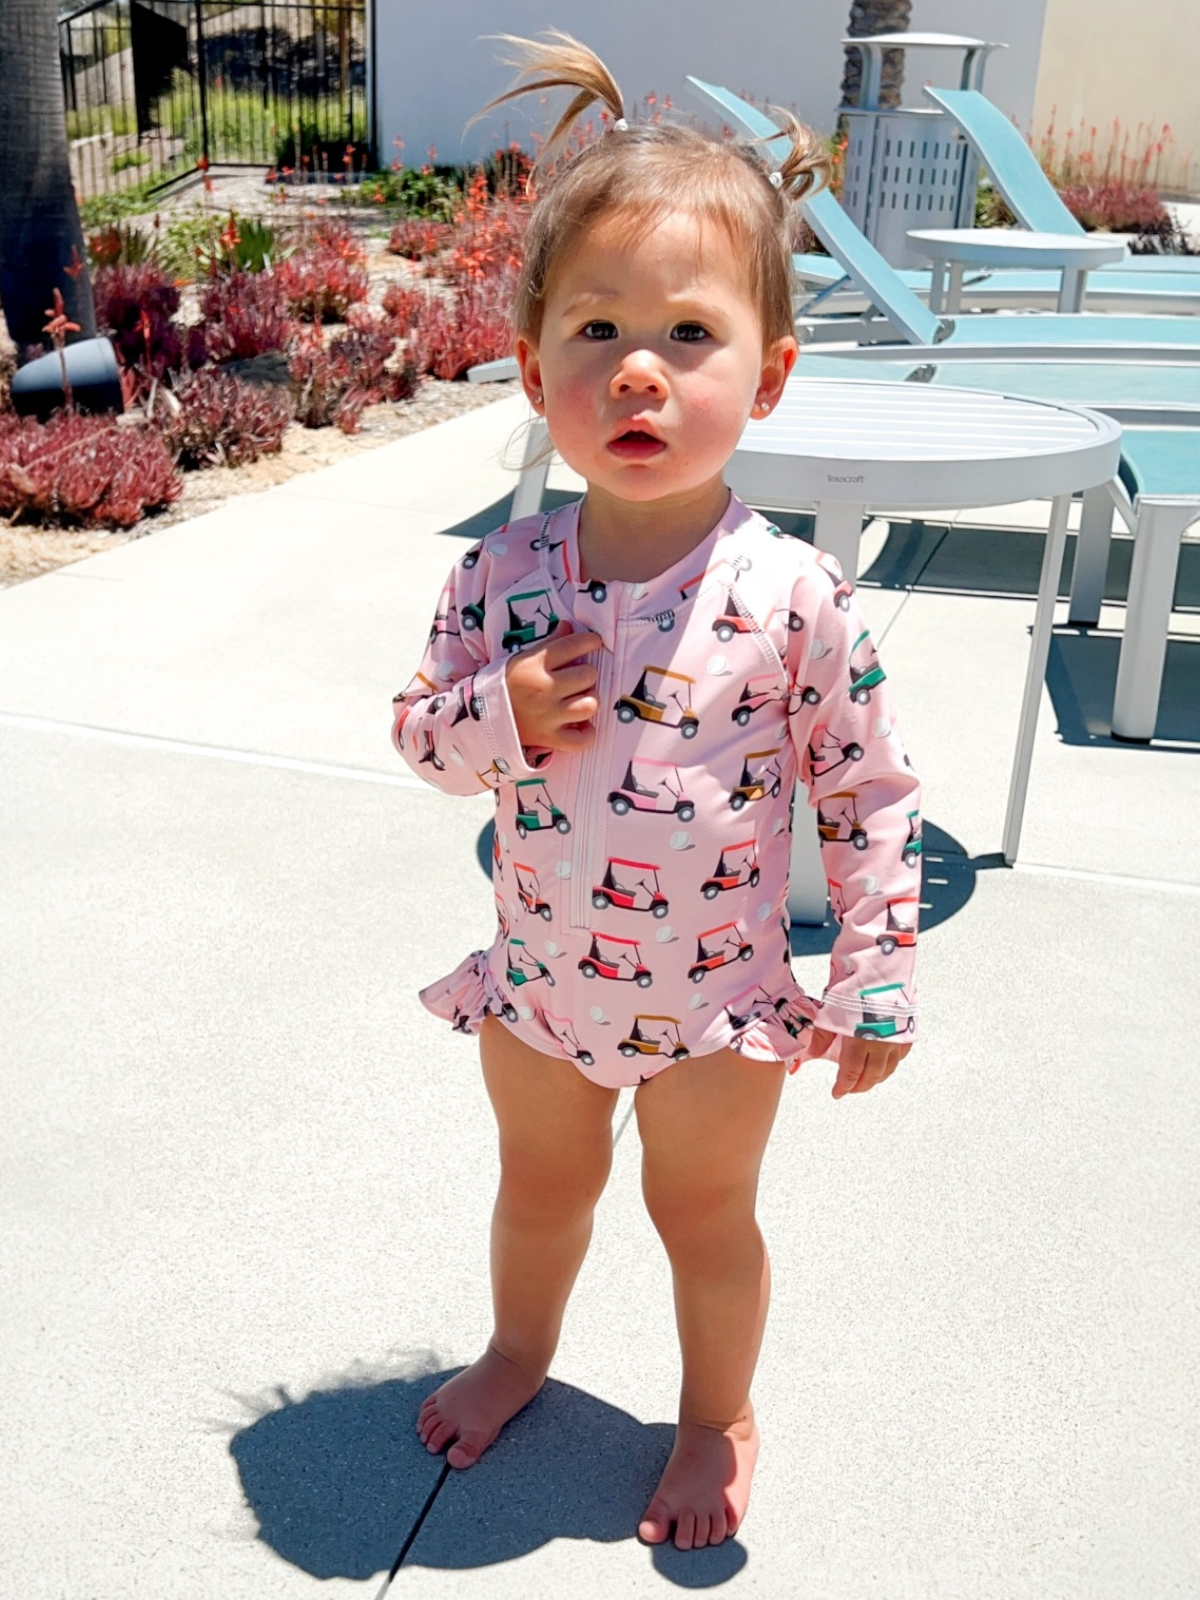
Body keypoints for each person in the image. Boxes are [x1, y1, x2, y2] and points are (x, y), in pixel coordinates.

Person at [391, 32, 921, 1553]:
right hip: (545, 988)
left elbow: (868, 790)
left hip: (719, 1001)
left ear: (766, 375)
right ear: (531, 370)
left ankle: (714, 1417)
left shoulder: (794, 594)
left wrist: (872, 966)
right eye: (597, 328)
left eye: (688, 335)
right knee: (541, 1193)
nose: (637, 366)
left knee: (702, 1220)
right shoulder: (495, 582)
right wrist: (502, 715)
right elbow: (424, 747)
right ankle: (520, 1351)